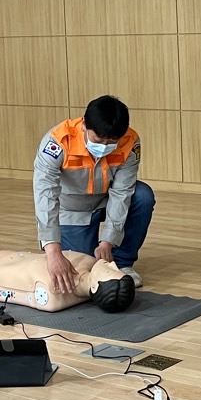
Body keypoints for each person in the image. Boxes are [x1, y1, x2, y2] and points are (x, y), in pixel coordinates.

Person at [35, 95, 154, 293]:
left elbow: (122, 192)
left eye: (112, 141)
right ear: (83, 124)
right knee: (82, 271)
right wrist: (53, 252)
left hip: (106, 199)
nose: (105, 146)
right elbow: (45, 195)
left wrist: (108, 241)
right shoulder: (57, 142)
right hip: (72, 209)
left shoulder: (129, 141)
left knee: (142, 196)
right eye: (99, 139)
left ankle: (122, 263)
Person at [0, 249, 135, 313]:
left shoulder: (54, 287)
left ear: (94, 286)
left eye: (110, 271)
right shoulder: (90, 262)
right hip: (10, 258)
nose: (113, 264)